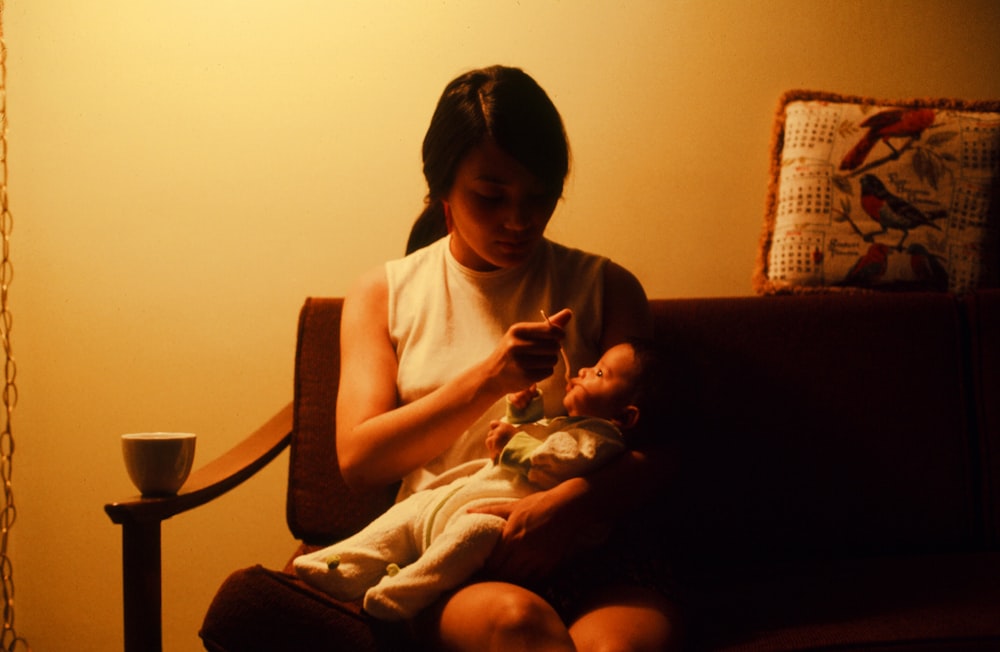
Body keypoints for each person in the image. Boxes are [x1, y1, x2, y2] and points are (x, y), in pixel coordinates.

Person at [337, 65, 679, 651]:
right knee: (520, 629)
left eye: (538, 198)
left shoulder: (604, 285)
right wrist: (490, 378)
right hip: (455, 554)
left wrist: (571, 505)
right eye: (491, 197)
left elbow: (665, 446)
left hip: (591, 546)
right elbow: (360, 458)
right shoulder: (385, 294)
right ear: (442, 186)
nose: (519, 222)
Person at [295, 340, 656, 622]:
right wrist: (522, 411)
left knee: (474, 533)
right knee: (408, 511)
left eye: (599, 374)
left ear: (625, 416)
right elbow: (540, 437)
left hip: (502, 522)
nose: (582, 370)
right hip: (455, 499)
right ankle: (344, 563)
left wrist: (513, 444)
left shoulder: (602, 440)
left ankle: (406, 589)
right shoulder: (566, 424)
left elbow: (560, 461)